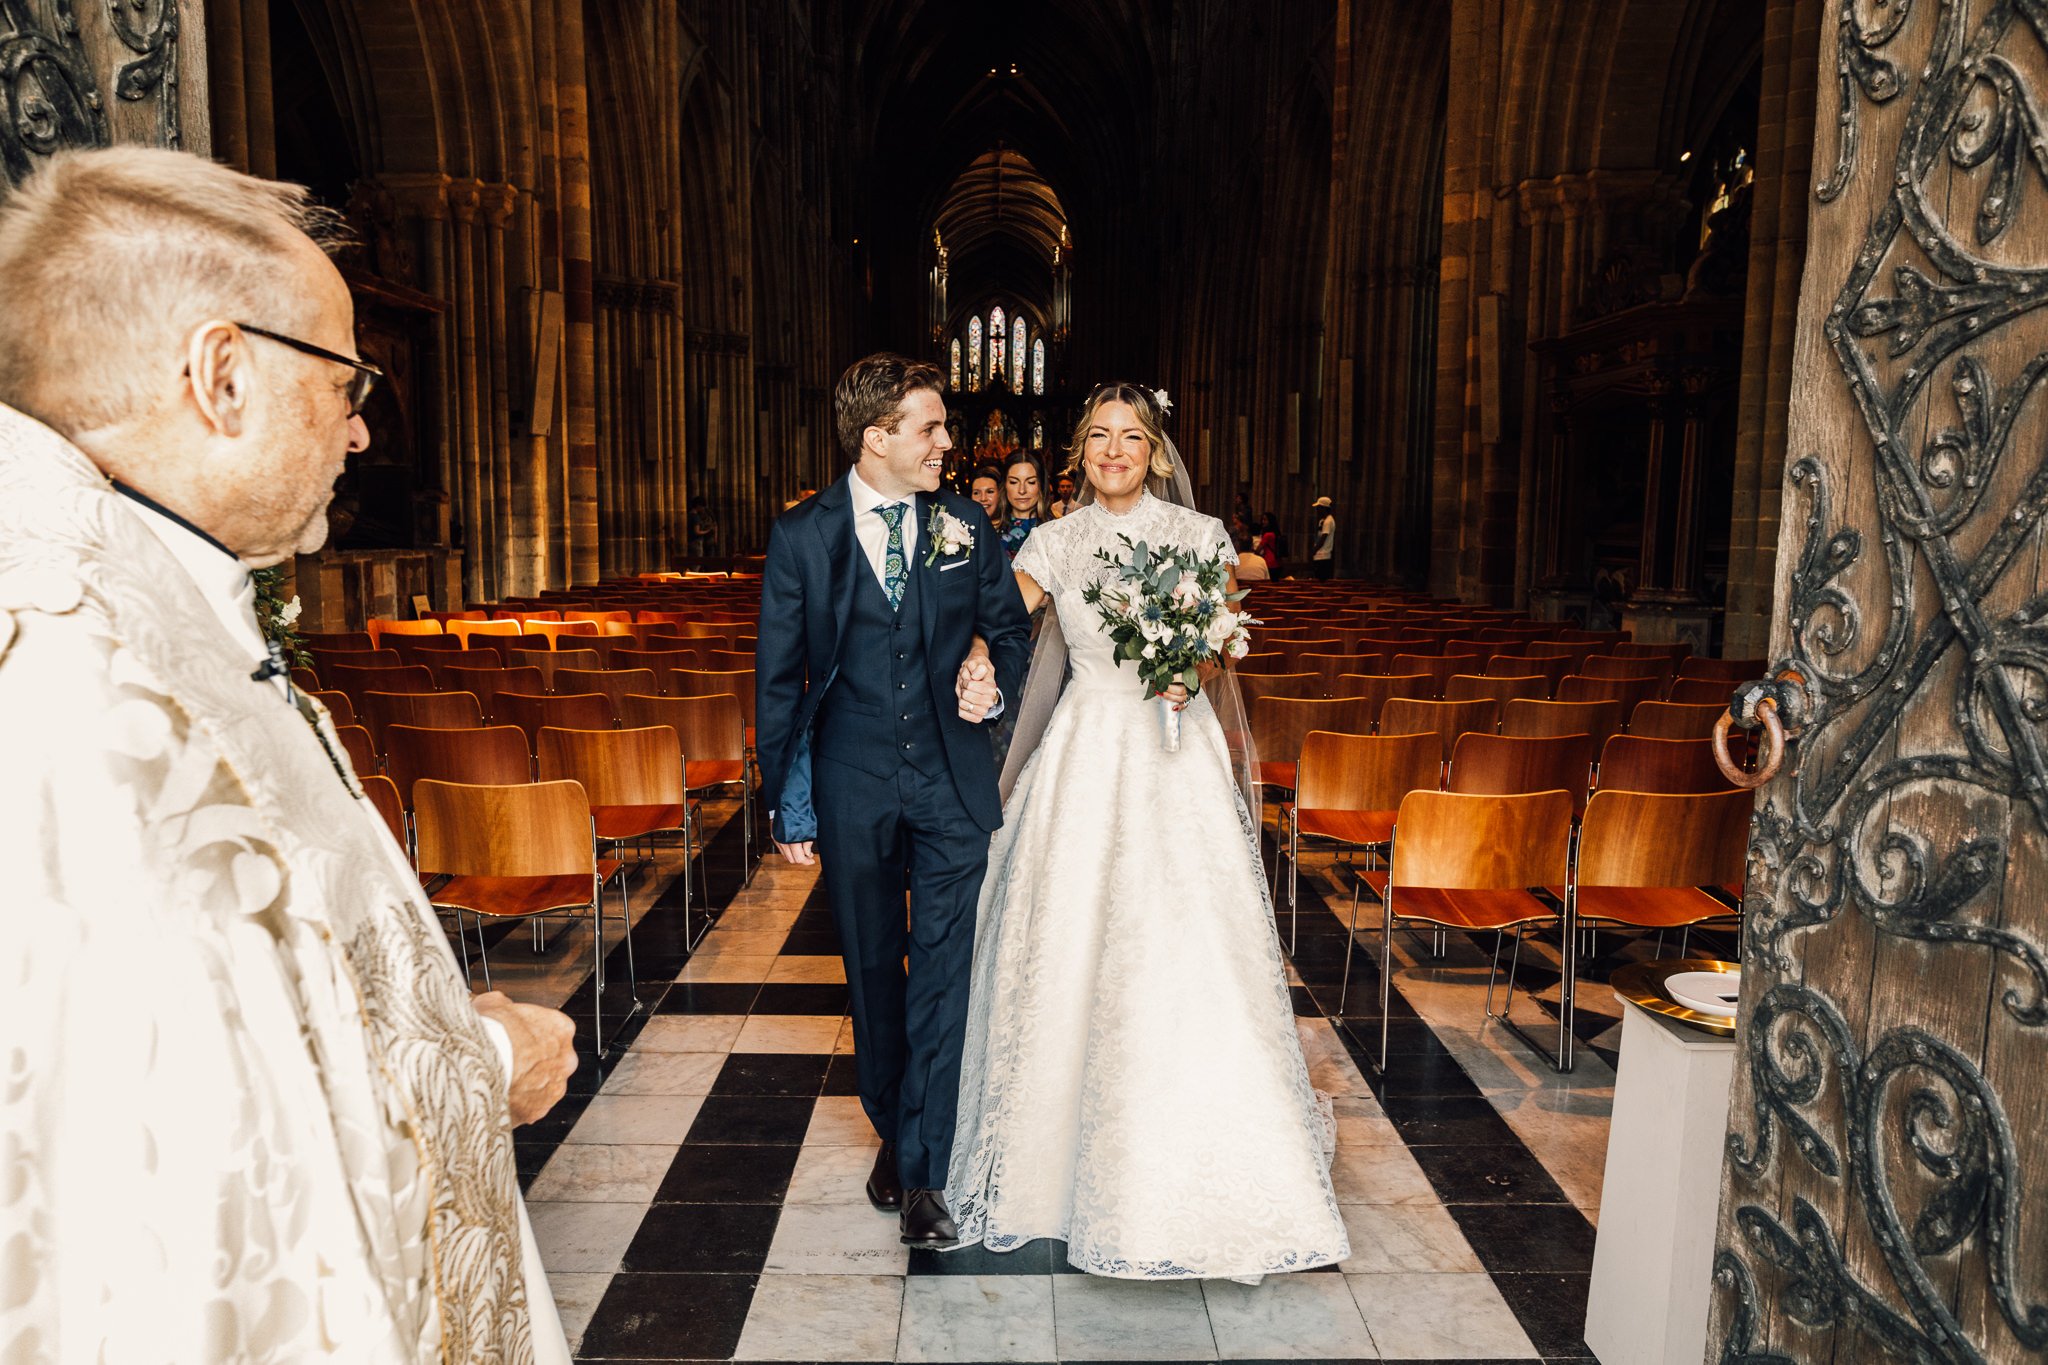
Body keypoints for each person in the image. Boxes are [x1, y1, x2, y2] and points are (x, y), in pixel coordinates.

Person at [0, 147, 577, 1360]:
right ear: (221, 375)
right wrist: (481, 1060)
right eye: (345, 379)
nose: (362, 431)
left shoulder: (120, 602)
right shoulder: (101, 687)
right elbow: (183, 1151)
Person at [945, 383, 1347, 1279]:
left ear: (1157, 451)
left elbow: (1213, 644)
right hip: (1085, 745)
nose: (1114, 451)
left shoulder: (1199, 537)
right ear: (1079, 453)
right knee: (1069, 934)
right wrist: (975, 654)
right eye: (1098, 438)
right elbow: (1001, 620)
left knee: (1187, 943)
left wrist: (1189, 670)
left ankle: (1204, 1152)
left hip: (1174, 751)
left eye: (1131, 437)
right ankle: (1050, 1161)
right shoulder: (1053, 539)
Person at [754, 353, 1033, 1247]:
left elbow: (1012, 631)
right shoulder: (804, 535)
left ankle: (922, 1170)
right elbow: (782, 681)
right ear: (876, 438)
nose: (949, 442)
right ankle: (894, 1123)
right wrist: (789, 801)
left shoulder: (964, 524)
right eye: (930, 427)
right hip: (853, 777)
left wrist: (991, 673)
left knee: (942, 977)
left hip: (952, 781)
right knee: (874, 976)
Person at [999, 453, 1048, 560]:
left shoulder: (1054, 530)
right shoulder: (989, 528)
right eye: (1013, 482)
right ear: (1005, 485)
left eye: (1031, 482)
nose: (1022, 490)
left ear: (1041, 485)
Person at [1311, 494, 1337, 580]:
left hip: (1323, 556)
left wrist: (1314, 550)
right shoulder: (1324, 520)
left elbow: (1323, 538)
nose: (1317, 510)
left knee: (1321, 579)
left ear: (1323, 508)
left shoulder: (1328, 521)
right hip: (1320, 555)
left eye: (1318, 508)